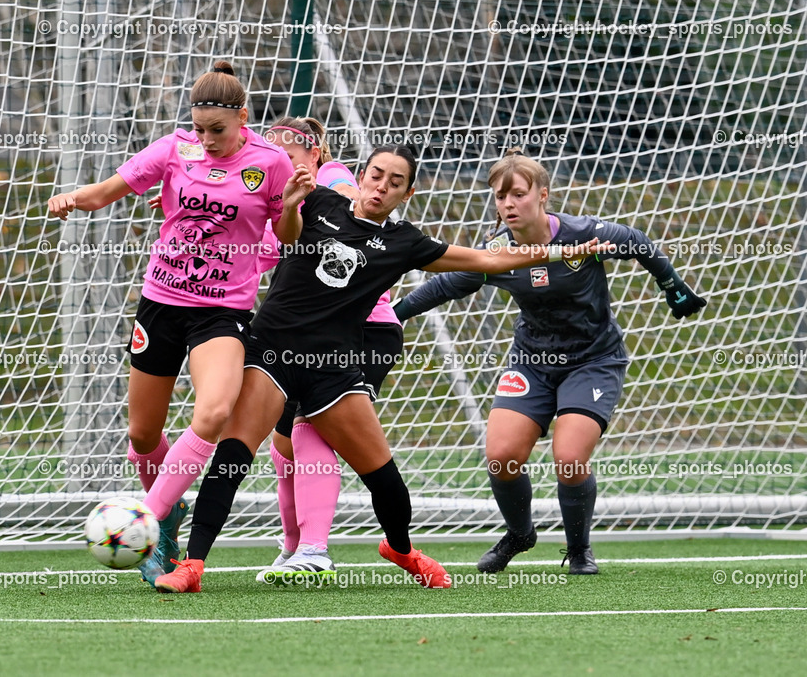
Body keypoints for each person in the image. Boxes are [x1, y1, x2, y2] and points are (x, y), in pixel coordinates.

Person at [151, 144, 613, 593]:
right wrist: (183, 200)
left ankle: (401, 550)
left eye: (395, 183)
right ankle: (192, 565)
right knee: (232, 457)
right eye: (376, 176)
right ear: (361, 175)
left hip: (334, 369)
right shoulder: (319, 202)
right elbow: (269, 221)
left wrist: (556, 253)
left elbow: (489, 259)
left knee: (385, 480)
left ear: (406, 194)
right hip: (272, 354)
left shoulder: (404, 241)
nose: (381, 187)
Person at [393, 149, 706, 574]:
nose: (507, 205)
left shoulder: (583, 234)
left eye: (517, 194)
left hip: (593, 361)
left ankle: (579, 551)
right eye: (500, 197)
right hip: (532, 362)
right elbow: (446, 285)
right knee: (501, 457)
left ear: (543, 195)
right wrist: (391, 315)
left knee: (571, 458)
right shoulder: (497, 252)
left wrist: (673, 286)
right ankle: (520, 534)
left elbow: (637, 241)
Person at [47, 61, 295, 586]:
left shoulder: (270, 163)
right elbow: (107, 190)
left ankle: (150, 521)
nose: (206, 139)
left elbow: (288, 236)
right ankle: (172, 510)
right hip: (161, 304)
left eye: (218, 131)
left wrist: (292, 205)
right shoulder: (173, 149)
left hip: (222, 313)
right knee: (142, 434)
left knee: (214, 410)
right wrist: (72, 199)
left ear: (243, 118)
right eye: (199, 128)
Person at [258, 117, 406, 582]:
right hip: (305, 334)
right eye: (271, 156)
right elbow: (267, 250)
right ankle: (294, 547)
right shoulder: (280, 201)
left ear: (315, 154)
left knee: (309, 429)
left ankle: (316, 551)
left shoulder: (334, 180)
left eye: (288, 156)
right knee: (282, 447)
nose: (278, 164)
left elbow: (350, 213)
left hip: (364, 330)